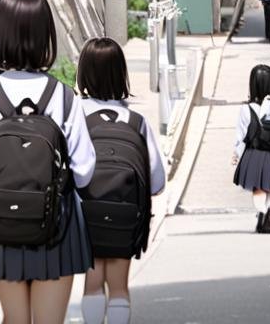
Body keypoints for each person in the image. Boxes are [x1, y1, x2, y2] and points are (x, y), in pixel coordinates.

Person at [0, 0, 96, 324]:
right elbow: (84, 171)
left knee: (14, 319)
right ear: (45, 36)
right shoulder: (63, 97)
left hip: (1, 222)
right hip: (57, 225)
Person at [76, 38, 166, 324]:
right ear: (120, 73)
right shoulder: (136, 121)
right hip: (125, 215)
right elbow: (156, 181)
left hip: (84, 214)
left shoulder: (75, 116)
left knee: (91, 285)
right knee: (119, 288)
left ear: (84, 73)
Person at [232, 63, 270, 234]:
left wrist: (236, 154)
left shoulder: (246, 109)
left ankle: (261, 211)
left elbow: (241, 134)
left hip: (255, 153)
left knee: (258, 188)